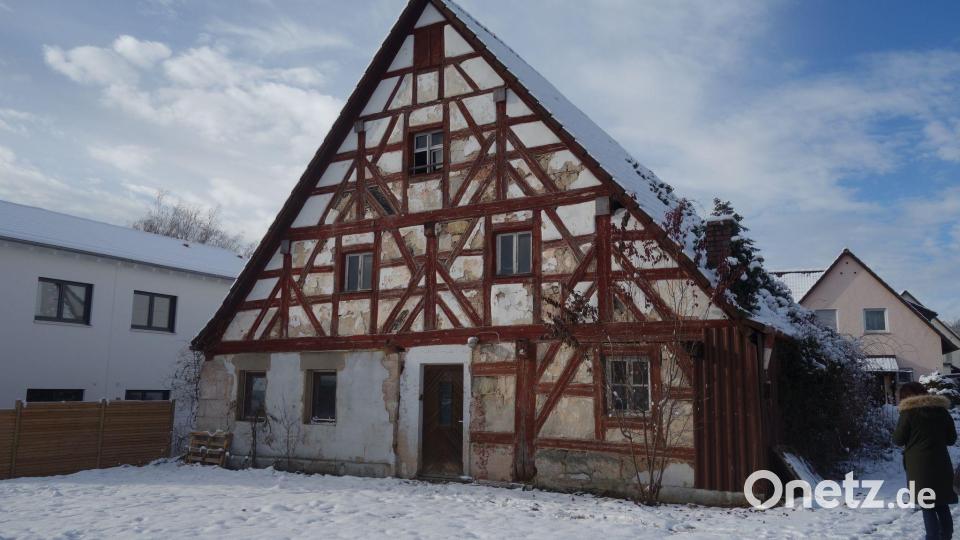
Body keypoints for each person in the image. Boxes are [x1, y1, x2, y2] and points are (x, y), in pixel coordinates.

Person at [893, 381, 957, 540]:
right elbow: (951, 439)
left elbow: (898, 440)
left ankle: (932, 537)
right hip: (942, 465)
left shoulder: (908, 413)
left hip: (919, 468)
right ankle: (946, 536)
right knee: (942, 504)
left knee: (927, 505)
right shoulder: (941, 411)